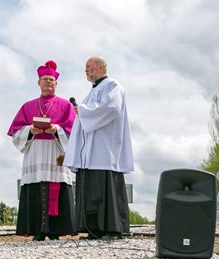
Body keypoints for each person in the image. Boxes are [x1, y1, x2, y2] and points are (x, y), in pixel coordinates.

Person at [64, 56, 134, 241]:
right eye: (85, 68)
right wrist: (83, 111)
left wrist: (83, 111)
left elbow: (112, 108)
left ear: (101, 67)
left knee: (106, 187)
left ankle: (113, 228)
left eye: (89, 67)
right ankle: (94, 228)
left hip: (105, 148)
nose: (86, 71)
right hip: (90, 151)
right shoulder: (93, 91)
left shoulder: (112, 86)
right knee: (91, 189)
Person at [8, 60, 77, 241]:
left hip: (56, 152)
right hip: (35, 152)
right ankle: (37, 230)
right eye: (45, 79)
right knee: (36, 187)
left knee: (58, 187)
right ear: (38, 83)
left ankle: (56, 230)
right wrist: (29, 130)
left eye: (51, 80)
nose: (48, 82)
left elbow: (75, 132)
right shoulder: (27, 105)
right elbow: (16, 132)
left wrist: (57, 130)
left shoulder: (66, 106)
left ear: (56, 83)